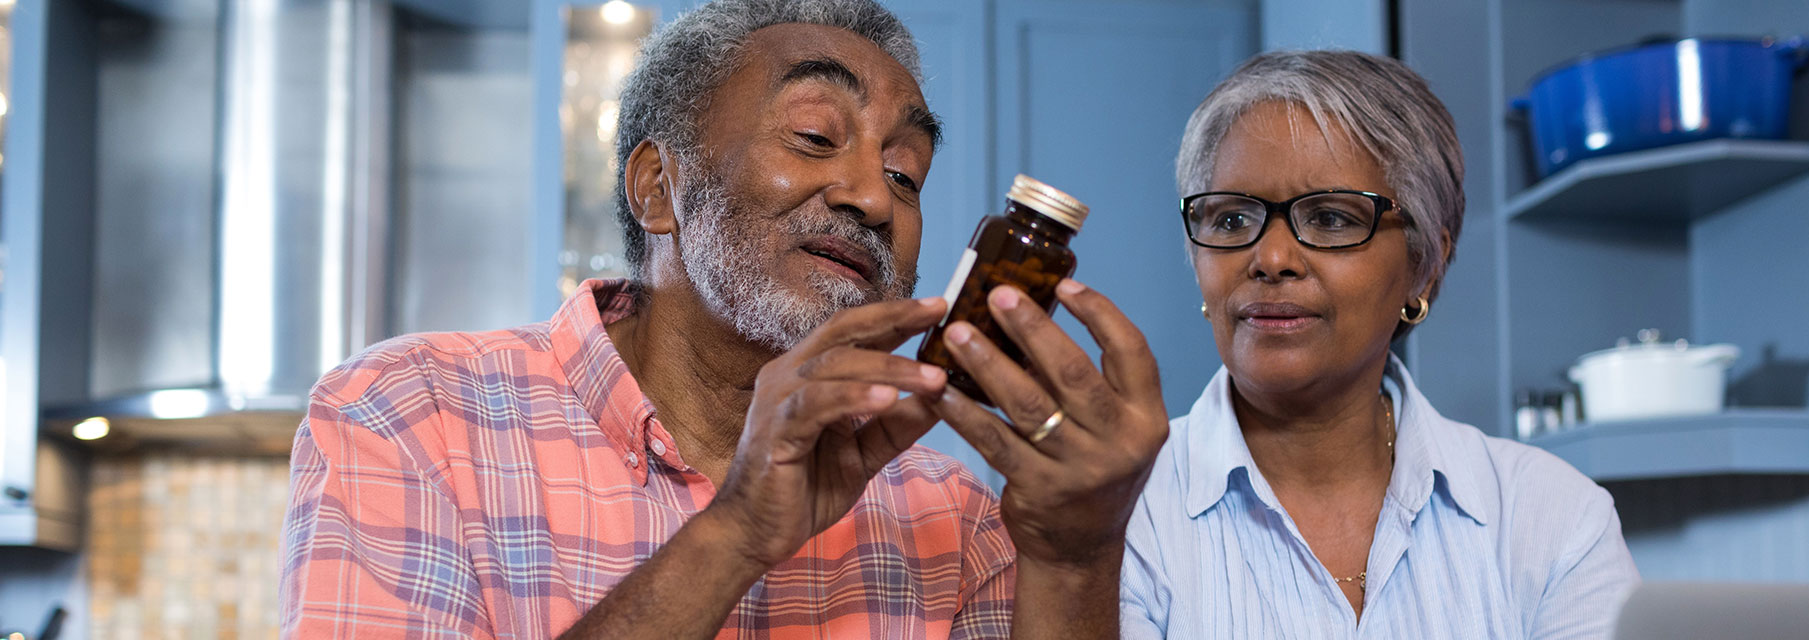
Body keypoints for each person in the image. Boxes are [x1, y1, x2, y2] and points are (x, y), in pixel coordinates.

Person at [278, 0, 1163, 637]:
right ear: (658, 188)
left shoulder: (954, 515)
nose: (870, 197)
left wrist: (1077, 559)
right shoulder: (409, 416)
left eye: (906, 173)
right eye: (816, 137)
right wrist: (735, 533)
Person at [1119, 50, 1640, 638]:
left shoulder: (1553, 517)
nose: (1269, 259)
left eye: (1332, 219)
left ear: (1426, 264)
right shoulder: (1122, 513)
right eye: (1233, 220)